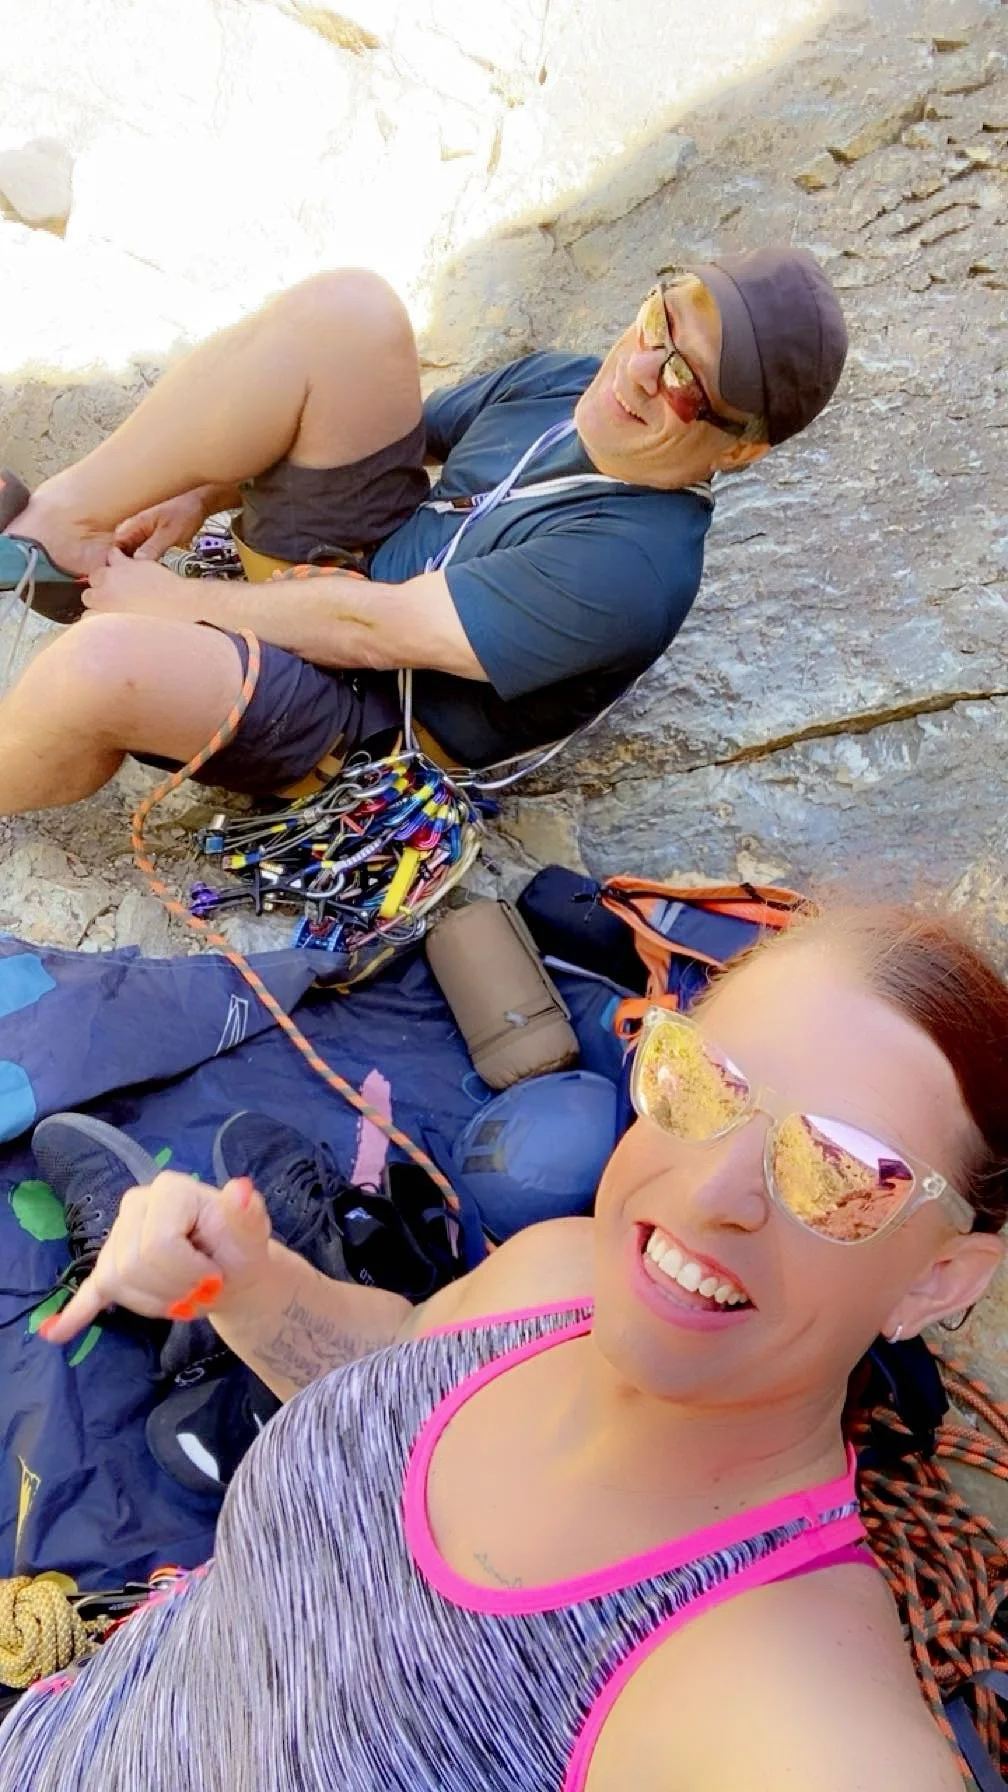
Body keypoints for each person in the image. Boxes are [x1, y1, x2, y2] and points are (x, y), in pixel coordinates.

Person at [3, 901, 1005, 1791]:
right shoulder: (563, 1273)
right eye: (701, 1083)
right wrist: (243, 1281)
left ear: (936, 1280)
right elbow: (393, 1367)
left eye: (839, 1171)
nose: (711, 1196)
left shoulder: (771, 1687)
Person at [0, 248, 846, 810]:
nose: (638, 370)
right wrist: (202, 495)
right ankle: (57, 528)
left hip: (363, 724)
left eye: (685, 384)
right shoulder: (568, 386)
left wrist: (172, 603)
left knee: (98, 665)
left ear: (740, 451)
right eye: (663, 319)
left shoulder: (631, 565)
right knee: (350, 314)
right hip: (352, 566)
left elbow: (373, 632)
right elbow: (379, 421)